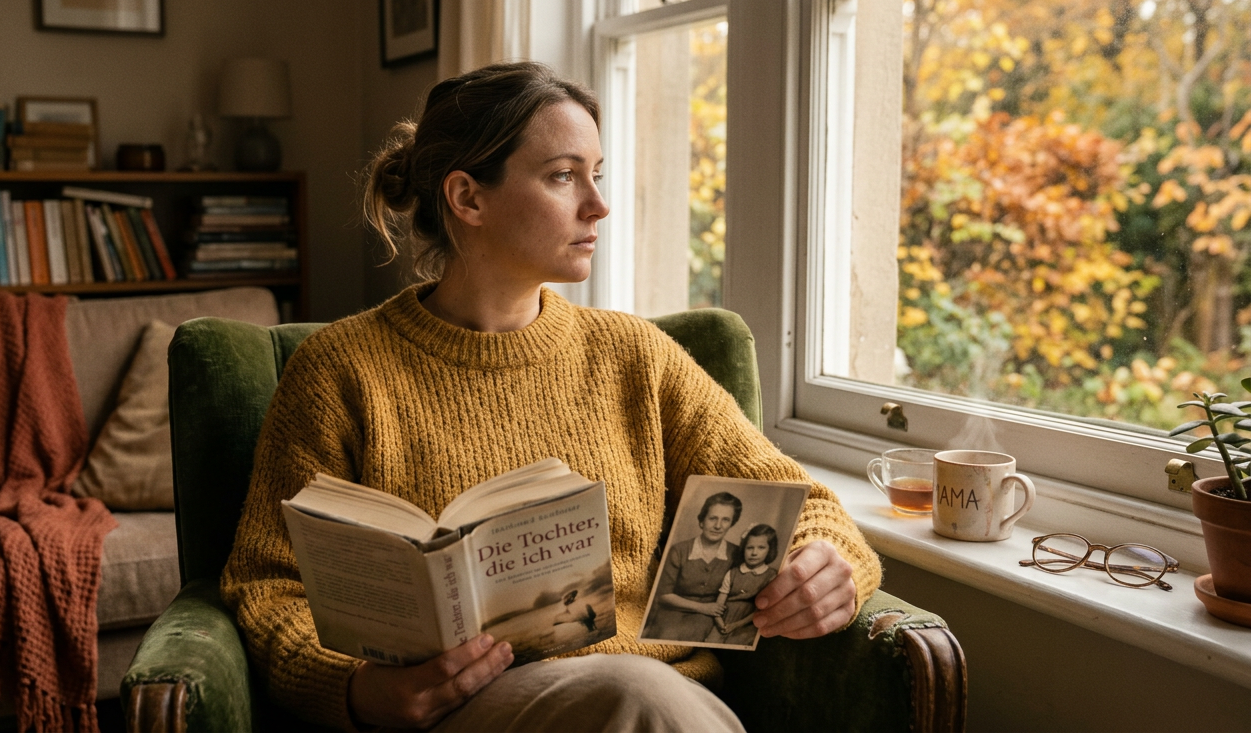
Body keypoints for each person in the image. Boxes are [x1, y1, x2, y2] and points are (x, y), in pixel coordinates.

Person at [220, 61, 882, 732]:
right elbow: (266, 586)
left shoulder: (635, 357)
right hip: (464, 714)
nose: (598, 205)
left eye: (598, 174)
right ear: (468, 199)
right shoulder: (339, 372)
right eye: (564, 176)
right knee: (635, 693)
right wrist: (360, 689)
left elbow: (803, 504)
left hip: (653, 701)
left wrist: (828, 567)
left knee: (637, 693)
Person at [640, 492, 744, 642]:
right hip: (672, 612)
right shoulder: (679, 550)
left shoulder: (736, 554)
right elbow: (663, 595)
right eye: (712, 518)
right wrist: (703, 607)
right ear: (702, 521)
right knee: (666, 635)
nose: (718, 526)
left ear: (732, 524)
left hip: (710, 617)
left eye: (725, 520)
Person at [707, 525, 781, 646]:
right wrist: (719, 621)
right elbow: (718, 604)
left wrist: (736, 625)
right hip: (724, 620)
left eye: (761, 548)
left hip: (748, 622)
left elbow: (762, 611)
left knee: (738, 643)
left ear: (770, 550)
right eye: (749, 548)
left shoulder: (771, 576)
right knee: (711, 642)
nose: (754, 553)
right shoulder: (733, 573)